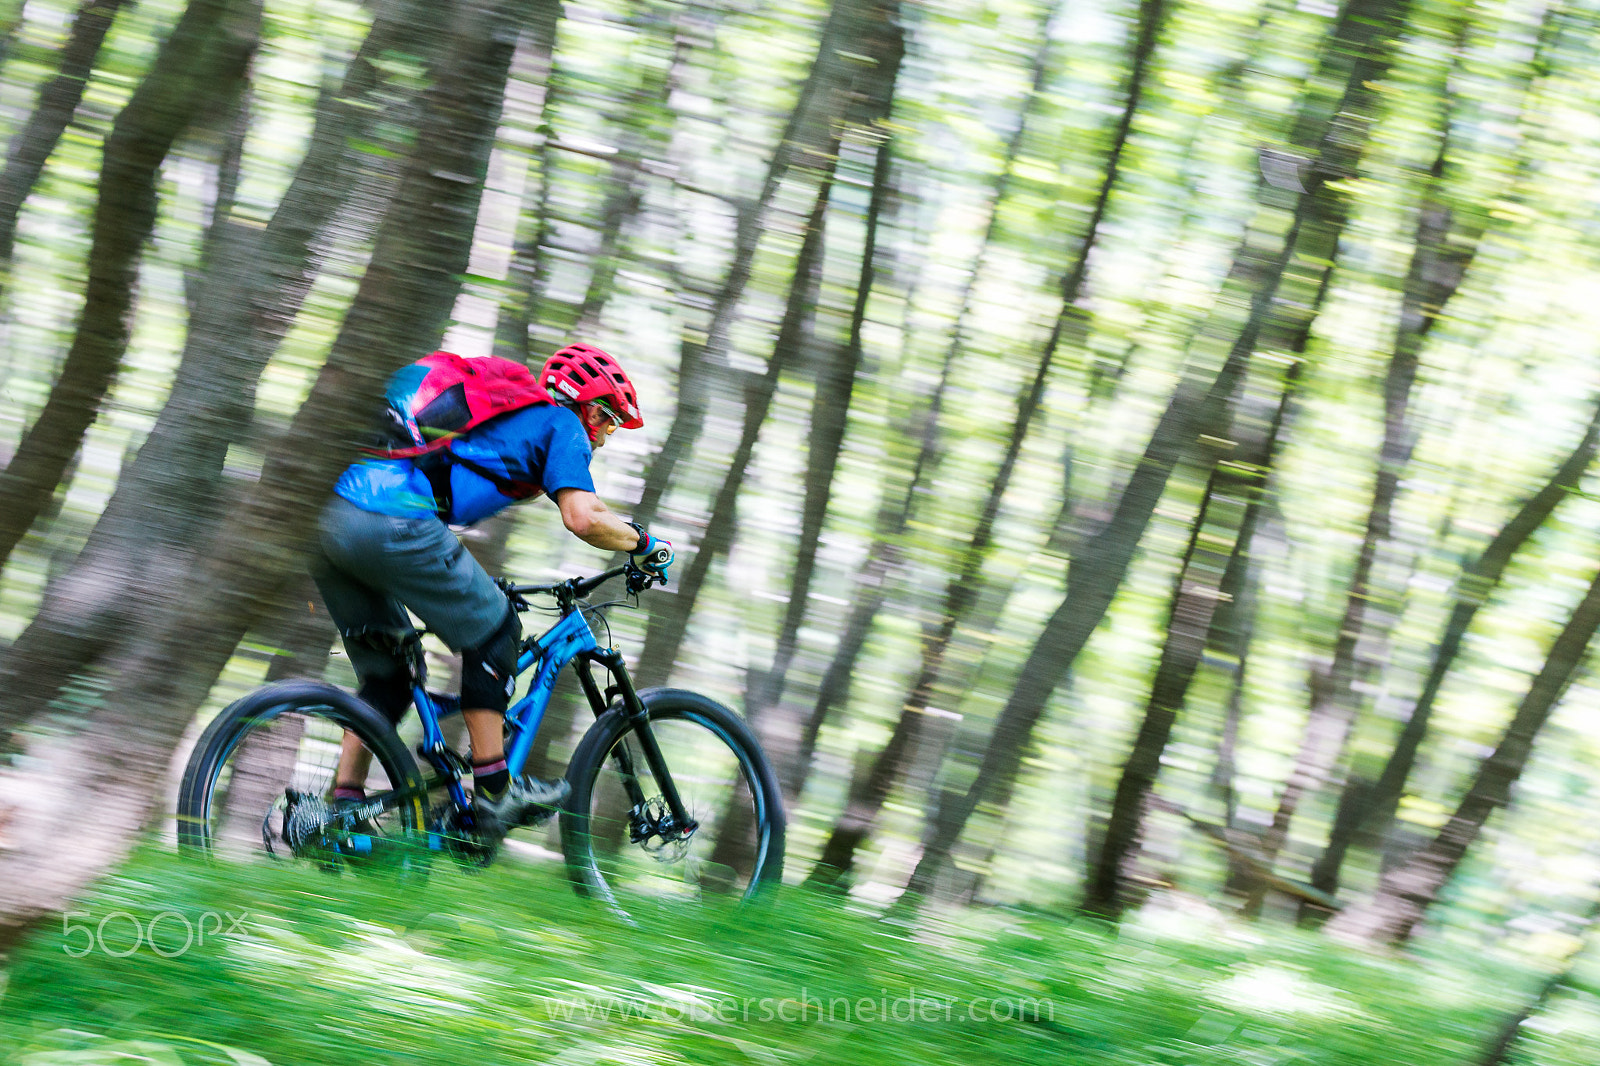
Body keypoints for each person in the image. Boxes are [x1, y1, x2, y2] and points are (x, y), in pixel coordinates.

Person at [310, 342, 672, 841]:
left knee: (388, 677)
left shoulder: (510, 415)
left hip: (331, 523)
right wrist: (646, 543)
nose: (608, 435)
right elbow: (583, 516)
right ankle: (494, 792)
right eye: (609, 419)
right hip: (392, 518)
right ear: (587, 405)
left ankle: (342, 811)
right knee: (498, 628)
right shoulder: (560, 423)